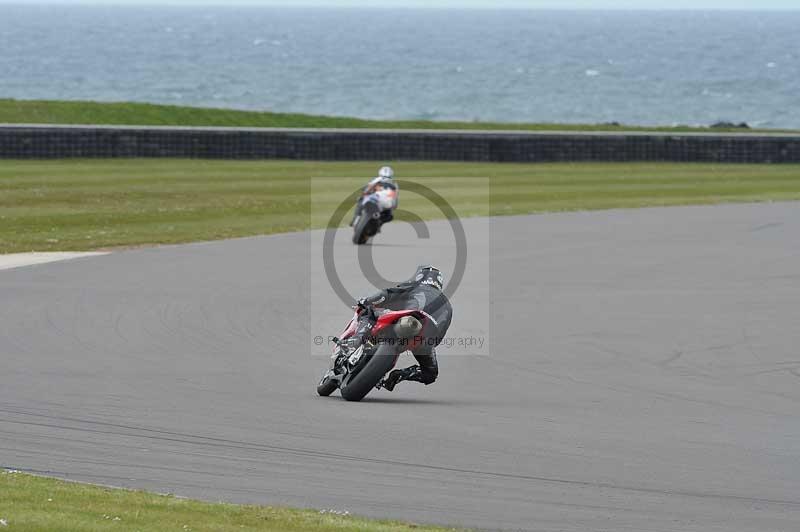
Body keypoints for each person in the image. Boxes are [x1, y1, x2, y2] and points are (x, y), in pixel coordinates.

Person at [355, 265, 452, 391]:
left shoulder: (416, 286)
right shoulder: (448, 306)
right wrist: (427, 344)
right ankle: (399, 375)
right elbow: (440, 334)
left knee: (368, 311)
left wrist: (367, 301)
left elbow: (388, 294)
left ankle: (356, 339)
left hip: (407, 320)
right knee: (430, 374)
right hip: (425, 340)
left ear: (419, 276)